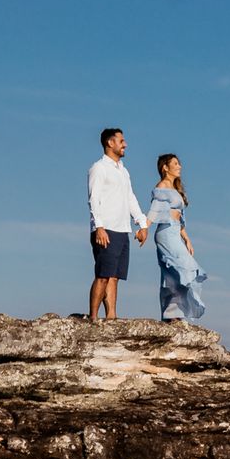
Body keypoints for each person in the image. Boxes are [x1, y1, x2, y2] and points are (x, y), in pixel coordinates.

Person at [87, 128, 149, 321]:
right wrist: (99, 227)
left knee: (114, 276)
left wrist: (142, 223)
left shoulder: (123, 171)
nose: (125, 144)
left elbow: (130, 198)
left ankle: (111, 317)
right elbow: (93, 198)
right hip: (106, 229)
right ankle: (93, 318)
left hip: (122, 230)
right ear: (110, 143)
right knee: (103, 275)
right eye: (121, 141)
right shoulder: (99, 168)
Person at [148, 153, 208, 321]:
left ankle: (175, 314)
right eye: (175, 163)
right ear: (165, 167)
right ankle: (171, 314)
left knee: (175, 274)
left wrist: (186, 238)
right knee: (181, 270)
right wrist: (144, 228)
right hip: (165, 232)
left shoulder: (175, 189)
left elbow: (179, 218)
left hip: (175, 232)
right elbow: (154, 210)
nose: (179, 166)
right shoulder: (162, 186)